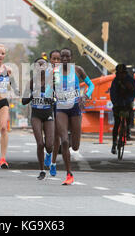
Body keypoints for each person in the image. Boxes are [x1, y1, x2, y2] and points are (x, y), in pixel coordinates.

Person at [54, 48, 94, 185]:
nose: (64, 59)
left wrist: (85, 96)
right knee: (64, 141)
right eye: (62, 57)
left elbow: (91, 85)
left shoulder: (78, 70)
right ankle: (68, 174)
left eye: (67, 56)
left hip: (75, 109)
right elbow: (50, 88)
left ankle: (72, 141)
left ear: (71, 57)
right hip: (61, 109)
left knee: (75, 146)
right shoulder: (56, 72)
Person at [22, 57, 55, 180]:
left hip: (48, 114)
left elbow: (57, 98)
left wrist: (52, 99)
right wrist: (32, 94)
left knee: (49, 145)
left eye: (43, 64)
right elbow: (23, 101)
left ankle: (49, 154)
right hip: (36, 115)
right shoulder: (31, 82)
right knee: (40, 143)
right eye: (38, 65)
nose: (41, 66)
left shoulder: (52, 82)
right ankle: (42, 170)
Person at [110, 64, 135, 155]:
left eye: (122, 73)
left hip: (128, 102)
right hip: (118, 103)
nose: (121, 75)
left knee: (129, 116)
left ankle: (128, 130)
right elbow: (112, 94)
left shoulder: (131, 80)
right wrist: (115, 103)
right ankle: (114, 143)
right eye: (119, 73)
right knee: (117, 123)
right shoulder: (115, 81)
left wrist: (131, 89)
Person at [48, 49, 62, 177]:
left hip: (60, 105)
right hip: (46, 105)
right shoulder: (45, 72)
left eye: (58, 59)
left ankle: (53, 163)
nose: (56, 61)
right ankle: (48, 151)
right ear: (50, 60)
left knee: (57, 135)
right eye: (54, 59)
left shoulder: (65, 73)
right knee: (49, 135)